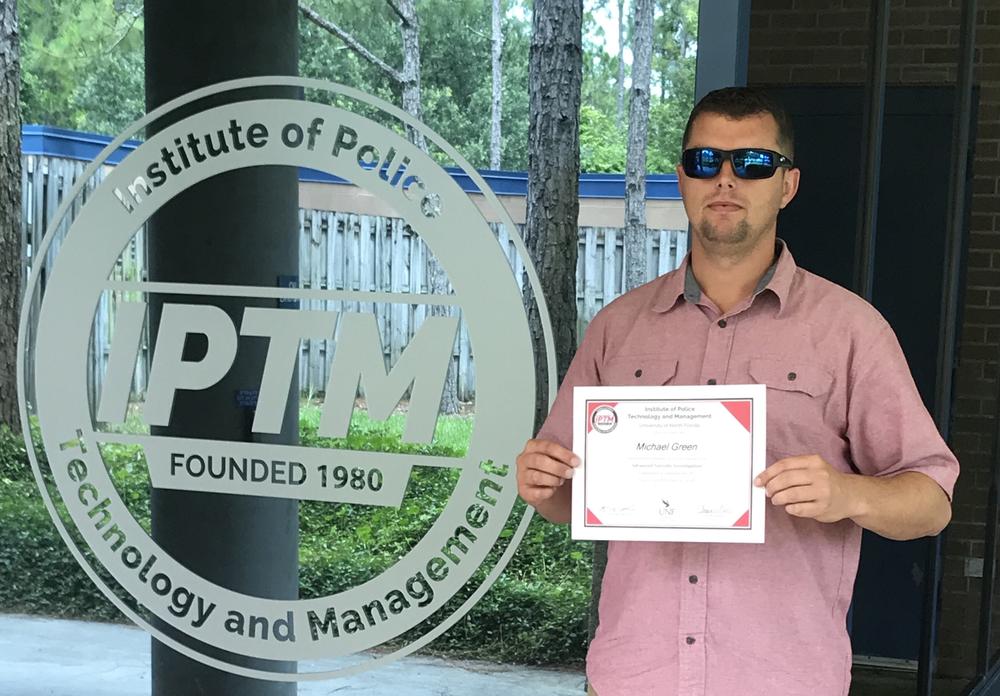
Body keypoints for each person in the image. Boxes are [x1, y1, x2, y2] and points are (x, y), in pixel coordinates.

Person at [515, 86, 959, 696]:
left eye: (751, 163)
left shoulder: (850, 330)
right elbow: (571, 498)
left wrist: (847, 493)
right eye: (705, 162)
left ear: (787, 184)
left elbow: (931, 502)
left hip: (782, 679)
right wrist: (542, 485)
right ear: (683, 178)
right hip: (633, 676)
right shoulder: (619, 328)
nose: (726, 180)